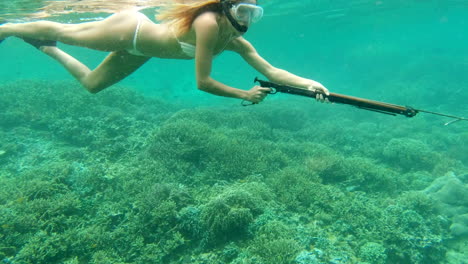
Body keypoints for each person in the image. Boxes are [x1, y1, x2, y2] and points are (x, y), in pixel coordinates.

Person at [0, 0, 329, 103]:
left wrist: (309, 83)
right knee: (64, 30)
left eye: (253, 14)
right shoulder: (209, 24)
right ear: (227, 7)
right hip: (130, 32)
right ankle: (6, 28)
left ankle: (46, 49)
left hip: (142, 50)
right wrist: (244, 95)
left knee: (92, 85)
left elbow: (272, 72)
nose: (247, 20)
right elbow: (203, 82)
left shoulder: (236, 42)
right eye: (243, 11)